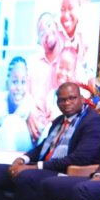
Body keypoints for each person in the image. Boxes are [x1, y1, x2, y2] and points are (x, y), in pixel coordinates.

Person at [27, 12, 62, 143]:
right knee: (10, 125)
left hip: (58, 126)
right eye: (41, 33)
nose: (46, 33)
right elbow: (24, 95)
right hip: (33, 125)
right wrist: (28, 113)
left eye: (49, 25)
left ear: (56, 25)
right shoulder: (32, 63)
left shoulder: (68, 60)